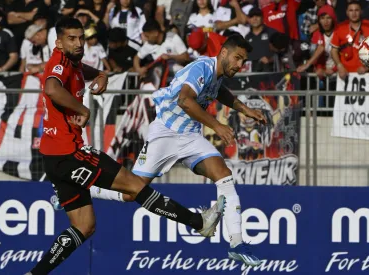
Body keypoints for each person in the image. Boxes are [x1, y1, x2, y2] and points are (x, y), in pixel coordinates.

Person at [25, 17, 225, 275]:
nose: (78, 43)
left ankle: (35, 274)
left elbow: (76, 70)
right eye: (71, 39)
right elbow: (52, 88)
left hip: (53, 157)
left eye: (81, 38)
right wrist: (82, 108)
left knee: (84, 226)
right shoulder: (59, 63)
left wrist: (99, 73)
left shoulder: (70, 61)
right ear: (58, 43)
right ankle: (199, 222)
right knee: (135, 187)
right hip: (71, 153)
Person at [85, 34, 267, 267]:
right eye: (237, 58)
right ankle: (86, 188)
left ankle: (237, 244)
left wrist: (244, 108)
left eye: (243, 61)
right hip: (165, 133)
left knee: (224, 175)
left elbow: (219, 91)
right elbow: (185, 101)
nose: (240, 65)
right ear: (223, 53)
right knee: (132, 192)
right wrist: (217, 125)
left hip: (190, 136)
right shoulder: (201, 67)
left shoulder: (216, 76)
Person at [330, 0, 369, 79]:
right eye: (351, 10)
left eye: (356, 10)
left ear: (361, 12)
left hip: (366, 74)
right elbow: (334, 50)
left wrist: (367, 68)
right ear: (347, 12)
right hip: (345, 73)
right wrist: (339, 66)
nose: (354, 13)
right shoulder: (340, 27)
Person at [297, 4, 337, 78]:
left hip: (339, 72)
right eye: (322, 18)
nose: (326, 21)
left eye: (328, 18)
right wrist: (319, 68)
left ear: (333, 19)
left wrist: (334, 69)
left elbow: (343, 56)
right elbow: (317, 52)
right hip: (323, 72)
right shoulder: (317, 34)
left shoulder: (339, 32)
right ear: (319, 20)